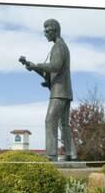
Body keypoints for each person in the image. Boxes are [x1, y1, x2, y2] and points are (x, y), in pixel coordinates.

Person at [19, 19, 77, 161]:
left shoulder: (59, 46)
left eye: (47, 30)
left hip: (59, 92)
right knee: (64, 124)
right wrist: (34, 67)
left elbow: (55, 66)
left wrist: (38, 65)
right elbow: (51, 73)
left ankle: (51, 155)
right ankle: (71, 154)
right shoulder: (60, 47)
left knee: (50, 121)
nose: (44, 33)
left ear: (55, 30)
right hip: (64, 92)